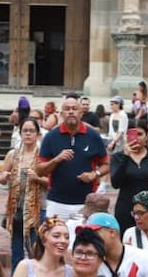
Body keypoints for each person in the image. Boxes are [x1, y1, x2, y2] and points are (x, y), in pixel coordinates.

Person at [37, 94, 109, 222]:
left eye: (74, 108)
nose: (71, 111)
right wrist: (56, 160)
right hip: (56, 202)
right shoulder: (51, 137)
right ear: (61, 113)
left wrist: (95, 174)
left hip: (85, 203)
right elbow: (40, 169)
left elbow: (106, 164)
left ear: (81, 112)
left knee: (84, 241)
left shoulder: (92, 136)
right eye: (67, 108)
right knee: (52, 239)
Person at [0, 117, 45, 270]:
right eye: (25, 131)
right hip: (16, 207)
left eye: (31, 131)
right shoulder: (13, 155)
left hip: (36, 209)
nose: (28, 134)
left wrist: (37, 178)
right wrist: (4, 176)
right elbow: (1, 178)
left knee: (35, 246)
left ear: (37, 134)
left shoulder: (43, 156)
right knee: (16, 248)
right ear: (20, 133)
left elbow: (50, 182)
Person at [109, 120, 148, 232]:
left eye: (140, 134)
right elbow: (115, 183)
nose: (136, 138)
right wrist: (125, 157)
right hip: (125, 209)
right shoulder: (118, 157)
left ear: (147, 136)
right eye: (133, 134)